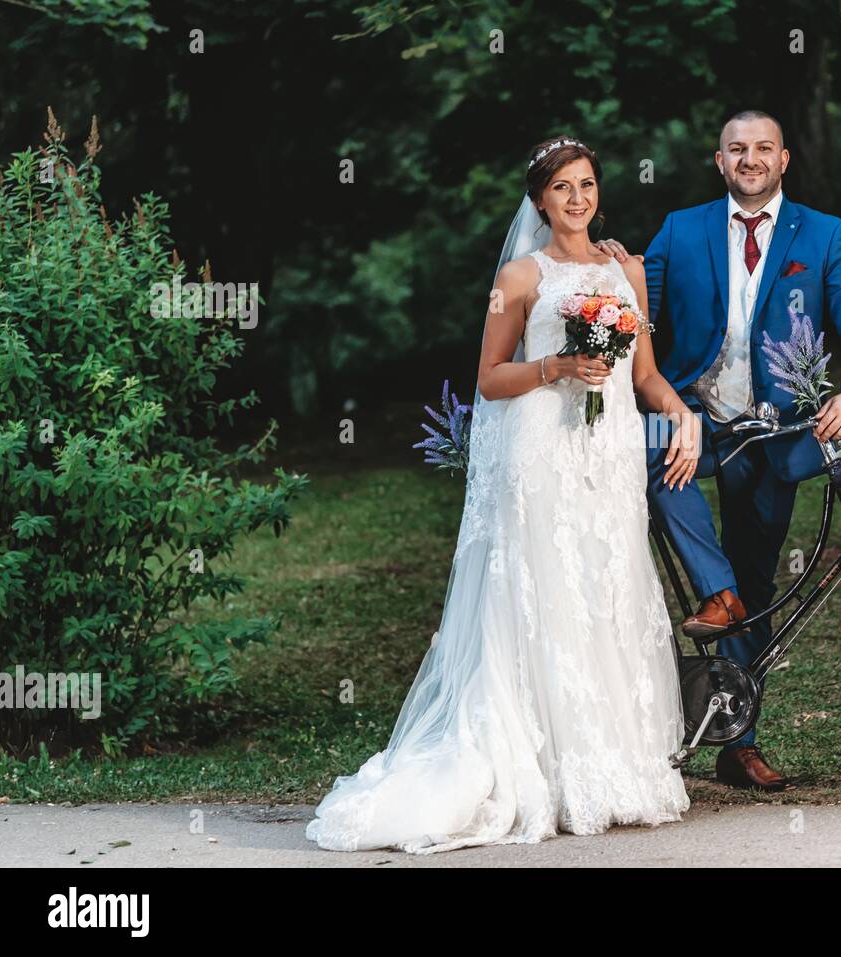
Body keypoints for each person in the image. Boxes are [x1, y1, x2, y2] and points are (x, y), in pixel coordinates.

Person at [305, 137, 701, 854]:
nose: (577, 199)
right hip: (542, 452)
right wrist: (556, 364)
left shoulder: (626, 270)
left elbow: (643, 374)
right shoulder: (520, 277)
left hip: (607, 454)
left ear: (598, 192)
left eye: (586, 185)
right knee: (546, 595)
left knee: (604, 592)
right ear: (540, 200)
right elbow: (489, 377)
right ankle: (546, 772)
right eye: (562, 188)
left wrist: (681, 415)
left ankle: (615, 766)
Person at [597, 110, 841, 792]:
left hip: (779, 434)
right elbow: (645, 314)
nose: (750, 159)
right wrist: (615, 277)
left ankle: (739, 740)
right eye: (737, 149)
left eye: (763, 149)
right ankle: (715, 589)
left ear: (784, 159)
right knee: (654, 456)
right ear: (719, 160)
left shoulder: (824, 235)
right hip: (695, 416)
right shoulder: (683, 228)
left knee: (760, 585)